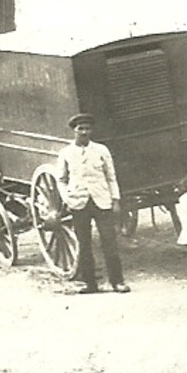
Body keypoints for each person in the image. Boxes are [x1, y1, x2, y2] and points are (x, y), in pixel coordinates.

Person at [54, 113, 129, 294]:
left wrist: (115, 200)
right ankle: (90, 284)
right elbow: (61, 179)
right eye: (81, 129)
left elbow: (111, 177)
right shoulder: (66, 153)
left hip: (101, 201)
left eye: (87, 129)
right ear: (74, 130)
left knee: (109, 241)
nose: (84, 132)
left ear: (91, 130)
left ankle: (117, 282)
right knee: (84, 243)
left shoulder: (101, 150)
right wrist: (68, 198)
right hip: (79, 203)